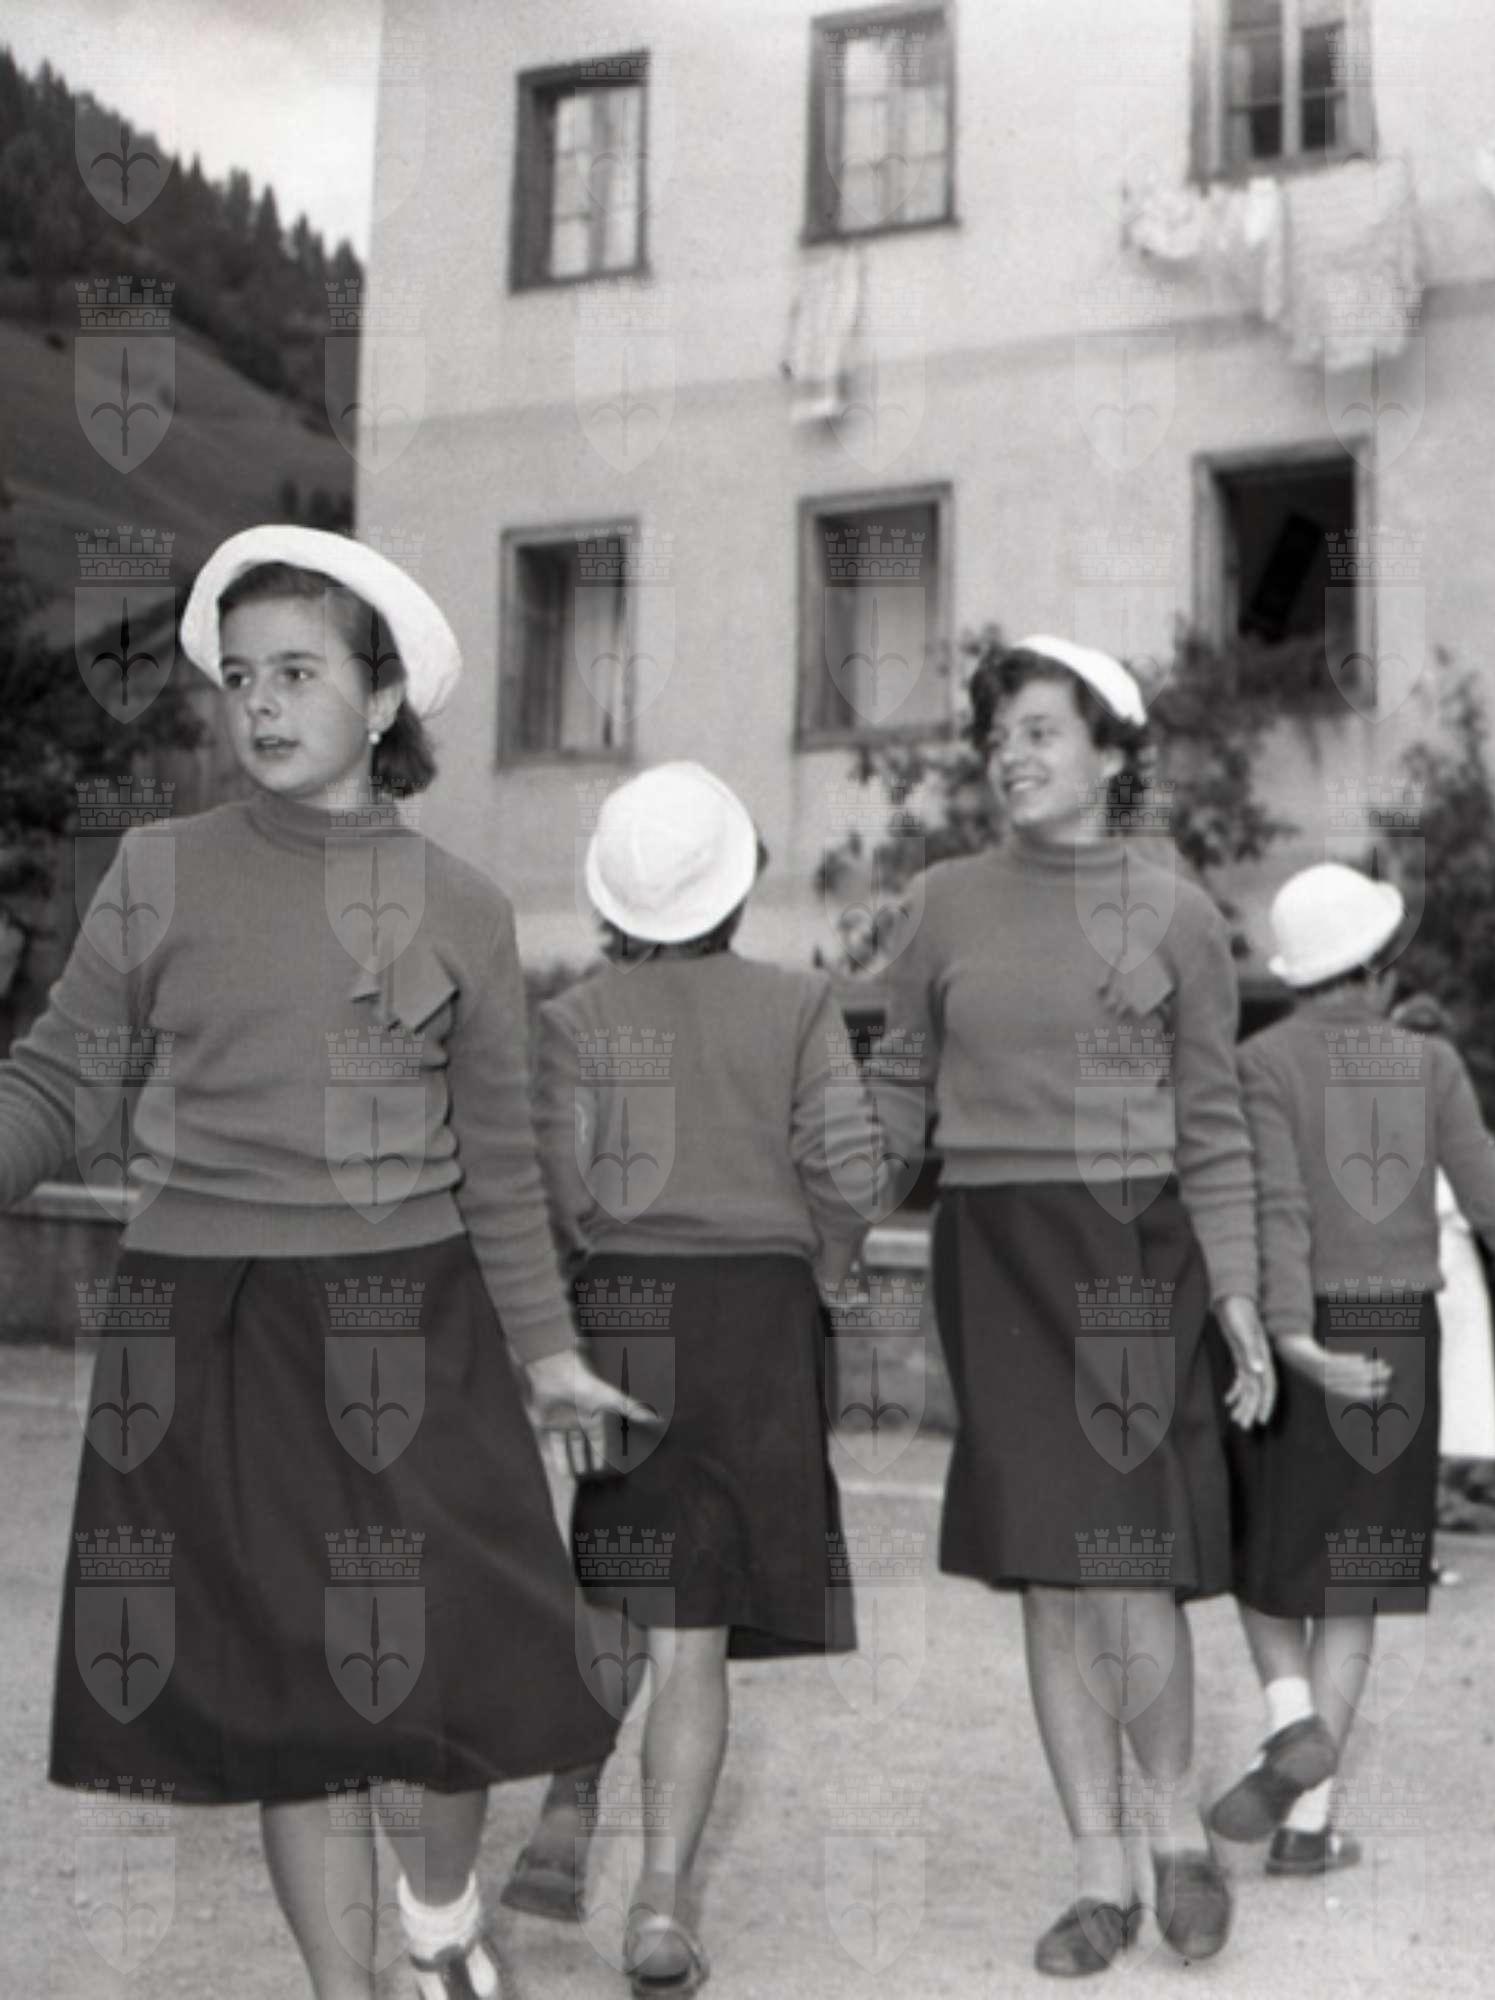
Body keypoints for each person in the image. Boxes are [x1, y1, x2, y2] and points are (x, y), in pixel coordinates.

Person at [8, 526, 646, 2000]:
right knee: (296, 1701)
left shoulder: (465, 907)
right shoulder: (159, 872)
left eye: (297, 672)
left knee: (452, 1662)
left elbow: (499, 1165)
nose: (261, 704)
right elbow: (55, 1085)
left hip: (412, 1319)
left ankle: (437, 1918)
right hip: (205, 1322)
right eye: (239, 678)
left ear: (383, 696)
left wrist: (549, 1354)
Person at [865, 636, 1277, 1976]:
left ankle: (1175, 1835)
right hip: (992, 1253)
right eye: (997, 737)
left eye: (1039, 731)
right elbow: (895, 1094)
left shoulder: (1176, 914)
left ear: (1109, 753)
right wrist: (820, 1220)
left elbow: (1212, 1123)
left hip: (1129, 1251)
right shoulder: (939, 904)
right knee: (1049, 1572)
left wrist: (1239, 1292)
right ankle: (1099, 1874)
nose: (1010, 756)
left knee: (1128, 1558)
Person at [502, 762, 873, 1994]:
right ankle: (659, 1901)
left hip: (622, 1311)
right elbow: (847, 1168)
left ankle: (568, 1791)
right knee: (694, 1630)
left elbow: (550, 1189)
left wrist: (560, 1324)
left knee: (621, 1565)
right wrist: (828, 1271)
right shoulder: (798, 1003)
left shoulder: (572, 1019)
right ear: (739, 882)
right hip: (758, 1319)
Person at [1209, 863, 1495, 1876]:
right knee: (1353, 1582)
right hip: (1397, 1332)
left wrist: (1291, 1336)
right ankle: (1307, 1828)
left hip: (1291, 1335)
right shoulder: (1429, 1062)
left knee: (1261, 1556)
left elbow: (1277, 1208)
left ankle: (1290, 1718)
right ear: (1375, 968)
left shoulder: (1258, 1061)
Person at [1389, 993, 1495, 1550]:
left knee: (1455, 1381)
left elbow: (1482, 1189)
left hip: (1452, 1255)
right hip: (1394, 1255)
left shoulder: (1462, 1115)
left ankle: (1435, 1499)